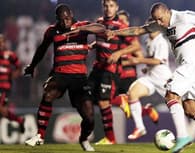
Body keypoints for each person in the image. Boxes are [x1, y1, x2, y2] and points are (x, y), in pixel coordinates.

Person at [107, 2, 195, 153]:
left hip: (192, 65)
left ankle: (182, 137)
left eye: (161, 18)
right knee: (191, 110)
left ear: (167, 12)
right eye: (157, 20)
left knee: (171, 95)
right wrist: (116, 33)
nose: (160, 23)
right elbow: (137, 30)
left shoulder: (183, 16)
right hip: (193, 68)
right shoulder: (160, 25)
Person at [24, 3, 106, 151]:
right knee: (48, 93)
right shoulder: (52, 31)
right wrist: (32, 66)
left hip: (79, 78)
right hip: (60, 74)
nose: (65, 22)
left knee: (89, 117)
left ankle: (84, 139)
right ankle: (40, 136)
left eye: (67, 18)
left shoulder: (82, 26)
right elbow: (42, 49)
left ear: (72, 15)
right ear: (57, 19)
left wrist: (81, 29)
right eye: (62, 20)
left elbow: (102, 29)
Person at [90, 0, 140, 145]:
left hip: (111, 70)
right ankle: (119, 100)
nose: (108, 9)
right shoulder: (99, 22)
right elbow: (101, 41)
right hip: (97, 68)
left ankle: (110, 139)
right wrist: (91, 45)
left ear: (116, 8)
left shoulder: (121, 26)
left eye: (111, 6)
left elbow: (135, 46)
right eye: (105, 6)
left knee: (103, 101)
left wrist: (120, 53)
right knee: (87, 97)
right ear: (102, 7)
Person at [111, 10, 159, 124]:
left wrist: (123, 62)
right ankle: (147, 110)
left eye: (123, 20)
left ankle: (145, 111)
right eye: (119, 21)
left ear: (127, 23)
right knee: (131, 114)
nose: (121, 22)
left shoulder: (131, 38)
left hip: (128, 76)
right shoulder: (116, 38)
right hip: (116, 74)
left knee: (108, 99)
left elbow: (139, 57)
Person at [126, 26, 172, 140]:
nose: (150, 28)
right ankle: (140, 128)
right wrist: (147, 67)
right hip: (151, 77)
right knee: (132, 93)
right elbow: (152, 59)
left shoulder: (161, 41)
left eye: (152, 26)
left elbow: (158, 60)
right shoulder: (147, 40)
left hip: (163, 78)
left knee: (181, 106)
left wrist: (139, 60)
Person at [0, 34, 25, 133]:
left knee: (1, 109)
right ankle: (20, 120)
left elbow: (19, 67)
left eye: (1, 41)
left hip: (4, 87)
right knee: (4, 112)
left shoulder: (10, 55)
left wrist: (14, 74)